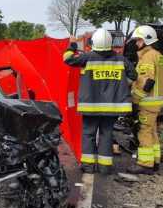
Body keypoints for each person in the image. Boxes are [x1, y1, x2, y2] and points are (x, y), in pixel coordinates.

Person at [63, 28, 137, 175]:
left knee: (88, 135)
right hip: (112, 108)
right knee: (106, 135)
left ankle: (89, 166)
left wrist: (72, 45)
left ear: (94, 42)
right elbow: (133, 76)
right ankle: (105, 167)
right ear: (110, 43)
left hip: (91, 108)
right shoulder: (121, 60)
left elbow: (67, 58)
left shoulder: (87, 58)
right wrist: (121, 84)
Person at [127, 25, 163, 175]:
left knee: (144, 133)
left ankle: (145, 164)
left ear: (146, 40)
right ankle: (155, 161)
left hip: (147, 103)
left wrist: (135, 101)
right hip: (157, 102)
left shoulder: (147, 56)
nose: (136, 43)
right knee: (153, 131)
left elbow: (146, 82)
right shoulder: (158, 55)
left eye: (139, 40)